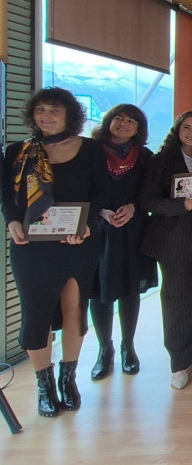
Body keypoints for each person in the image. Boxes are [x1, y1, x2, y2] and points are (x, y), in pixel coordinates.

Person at [2, 87, 108, 417]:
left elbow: (101, 193)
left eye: (55, 110)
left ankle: (68, 377)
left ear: (69, 115)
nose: (46, 116)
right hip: (31, 246)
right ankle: (43, 385)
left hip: (77, 242)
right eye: (41, 110)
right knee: (37, 314)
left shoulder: (90, 149)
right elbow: (7, 195)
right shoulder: (17, 152)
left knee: (74, 308)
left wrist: (88, 224)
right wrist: (12, 223)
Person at [139, 111, 192, 390]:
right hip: (174, 238)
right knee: (179, 297)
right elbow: (149, 200)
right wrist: (181, 205)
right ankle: (178, 360)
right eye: (186, 127)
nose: (191, 132)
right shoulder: (161, 160)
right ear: (177, 130)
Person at [89, 104, 157, 381]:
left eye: (131, 121)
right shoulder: (90, 152)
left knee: (131, 288)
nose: (124, 124)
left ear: (139, 128)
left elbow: (151, 191)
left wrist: (133, 207)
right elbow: (79, 186)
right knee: (98, 290)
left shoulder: (145, 156)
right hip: (98, 229)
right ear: (109, 121)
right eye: (119, 118)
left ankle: (128, 346)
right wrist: (101, 210)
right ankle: (104, 348)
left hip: (133, 228)